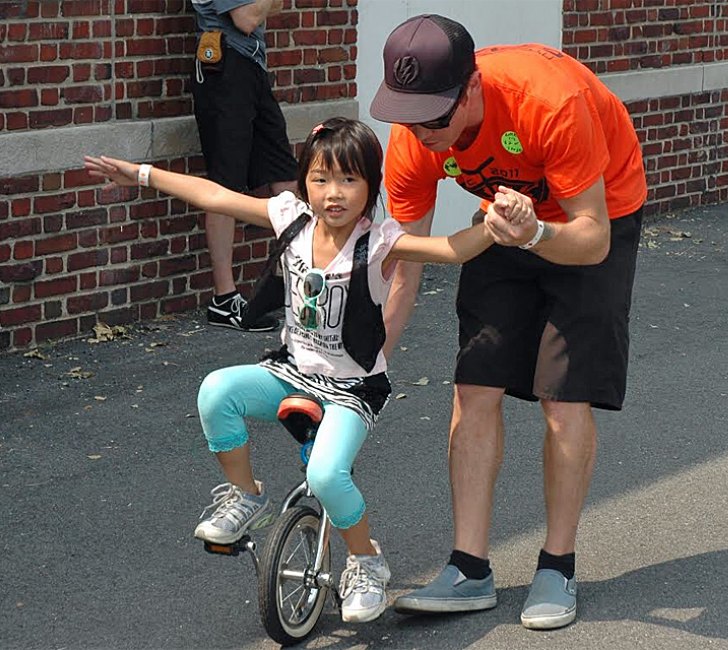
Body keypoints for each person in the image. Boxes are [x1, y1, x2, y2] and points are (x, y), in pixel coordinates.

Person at [84, 117, 530, 623]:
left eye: (348, 181)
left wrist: (494, 225)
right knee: (216, 392)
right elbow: (213, 196)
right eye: (320, 180)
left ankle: (365, 561)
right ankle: (246, 496)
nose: (332, 194)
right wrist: (142, 174)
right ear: (303, 184)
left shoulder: (379, 241)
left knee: (325, 475)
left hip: (351, 389)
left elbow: (449, 249)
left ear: (370, 187)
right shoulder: (290, 217)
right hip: (290, 372)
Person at [369, 14, 647, 630]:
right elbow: (404, 262)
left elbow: (593, 238)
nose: (423, 133)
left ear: (471, 90)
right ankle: (469, 569)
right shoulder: (415, 137)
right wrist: (372, 359)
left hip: (588, 219)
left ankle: (557, 566)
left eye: (435, 118)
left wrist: (536, 233)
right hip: (502, 216)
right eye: (408, 116)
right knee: (475, 385)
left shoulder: (550, 102)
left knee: (563, 398)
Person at [190, 0, 297, 331]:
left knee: (286, 176)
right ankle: (224, 300)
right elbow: (246, 17)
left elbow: (272, 8)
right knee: (225, 185)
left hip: (252, 65)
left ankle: (295, 284)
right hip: (224, 67)